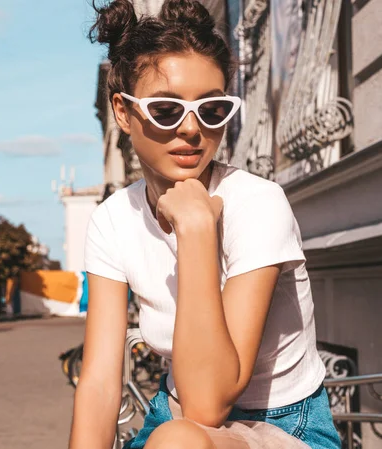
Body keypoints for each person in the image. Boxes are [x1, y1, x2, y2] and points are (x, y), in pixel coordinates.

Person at [69, 1, 341, 448]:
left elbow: (208, 403)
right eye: (166, 110)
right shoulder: (113, 220)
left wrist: (196, 228)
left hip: (283, 425)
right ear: (122, 112)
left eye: (212, 110)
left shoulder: (256, 203)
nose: (192, 129)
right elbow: (99, 383)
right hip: (171, 418)